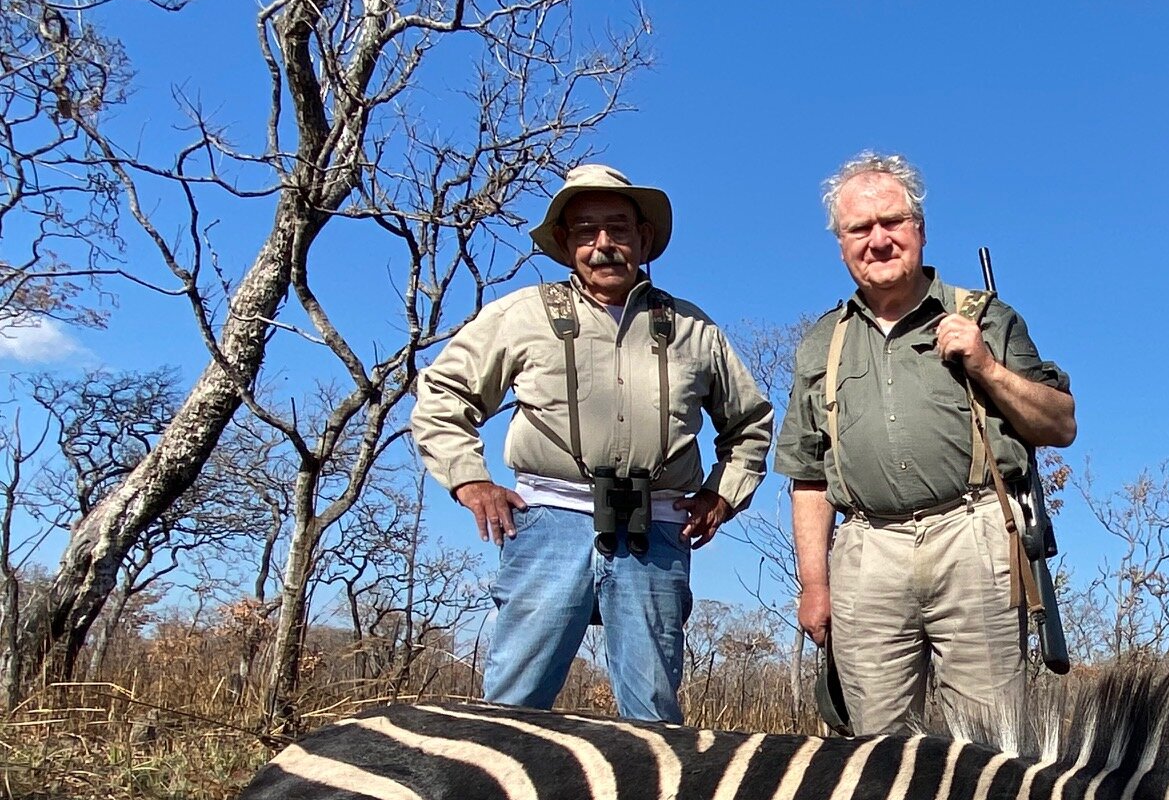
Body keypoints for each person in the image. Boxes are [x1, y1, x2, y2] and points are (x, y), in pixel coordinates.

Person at [413, 164, 772, 723]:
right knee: (512, 707)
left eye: (619, 228)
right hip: (546, 522)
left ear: (644, 238)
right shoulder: (521, 314)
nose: (604, 245)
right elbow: (442, 391)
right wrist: (469, 478)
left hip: (655, 529)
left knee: (653, 714)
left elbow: (750, 424)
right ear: (565, 241)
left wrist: (723, 493)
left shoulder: (693, 329)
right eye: (586, 230)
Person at [778, 152, 1075, 735]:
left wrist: (986, 365)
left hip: (974, 535)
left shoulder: (987, 316)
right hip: (866, 549)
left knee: (994, 751)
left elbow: (1059, 424)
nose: (878, 240)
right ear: (841, 243)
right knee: (875, 753)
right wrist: (815, 586)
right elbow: (808, 476)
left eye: (892, 222)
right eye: (859, 229)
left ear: (920, 230)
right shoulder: (821, 342)